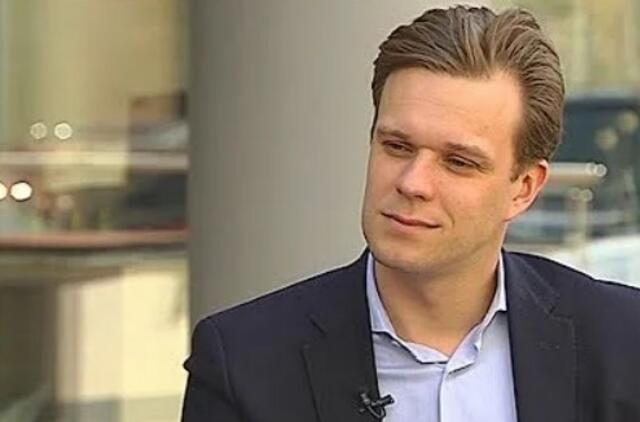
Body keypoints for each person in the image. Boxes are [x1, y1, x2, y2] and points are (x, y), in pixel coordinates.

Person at [182, 5, 640, 422]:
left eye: (458, 162)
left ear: (523, 189)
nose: (412, 183)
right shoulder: (243, 363)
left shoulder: (622, 342)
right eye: (397, 146)